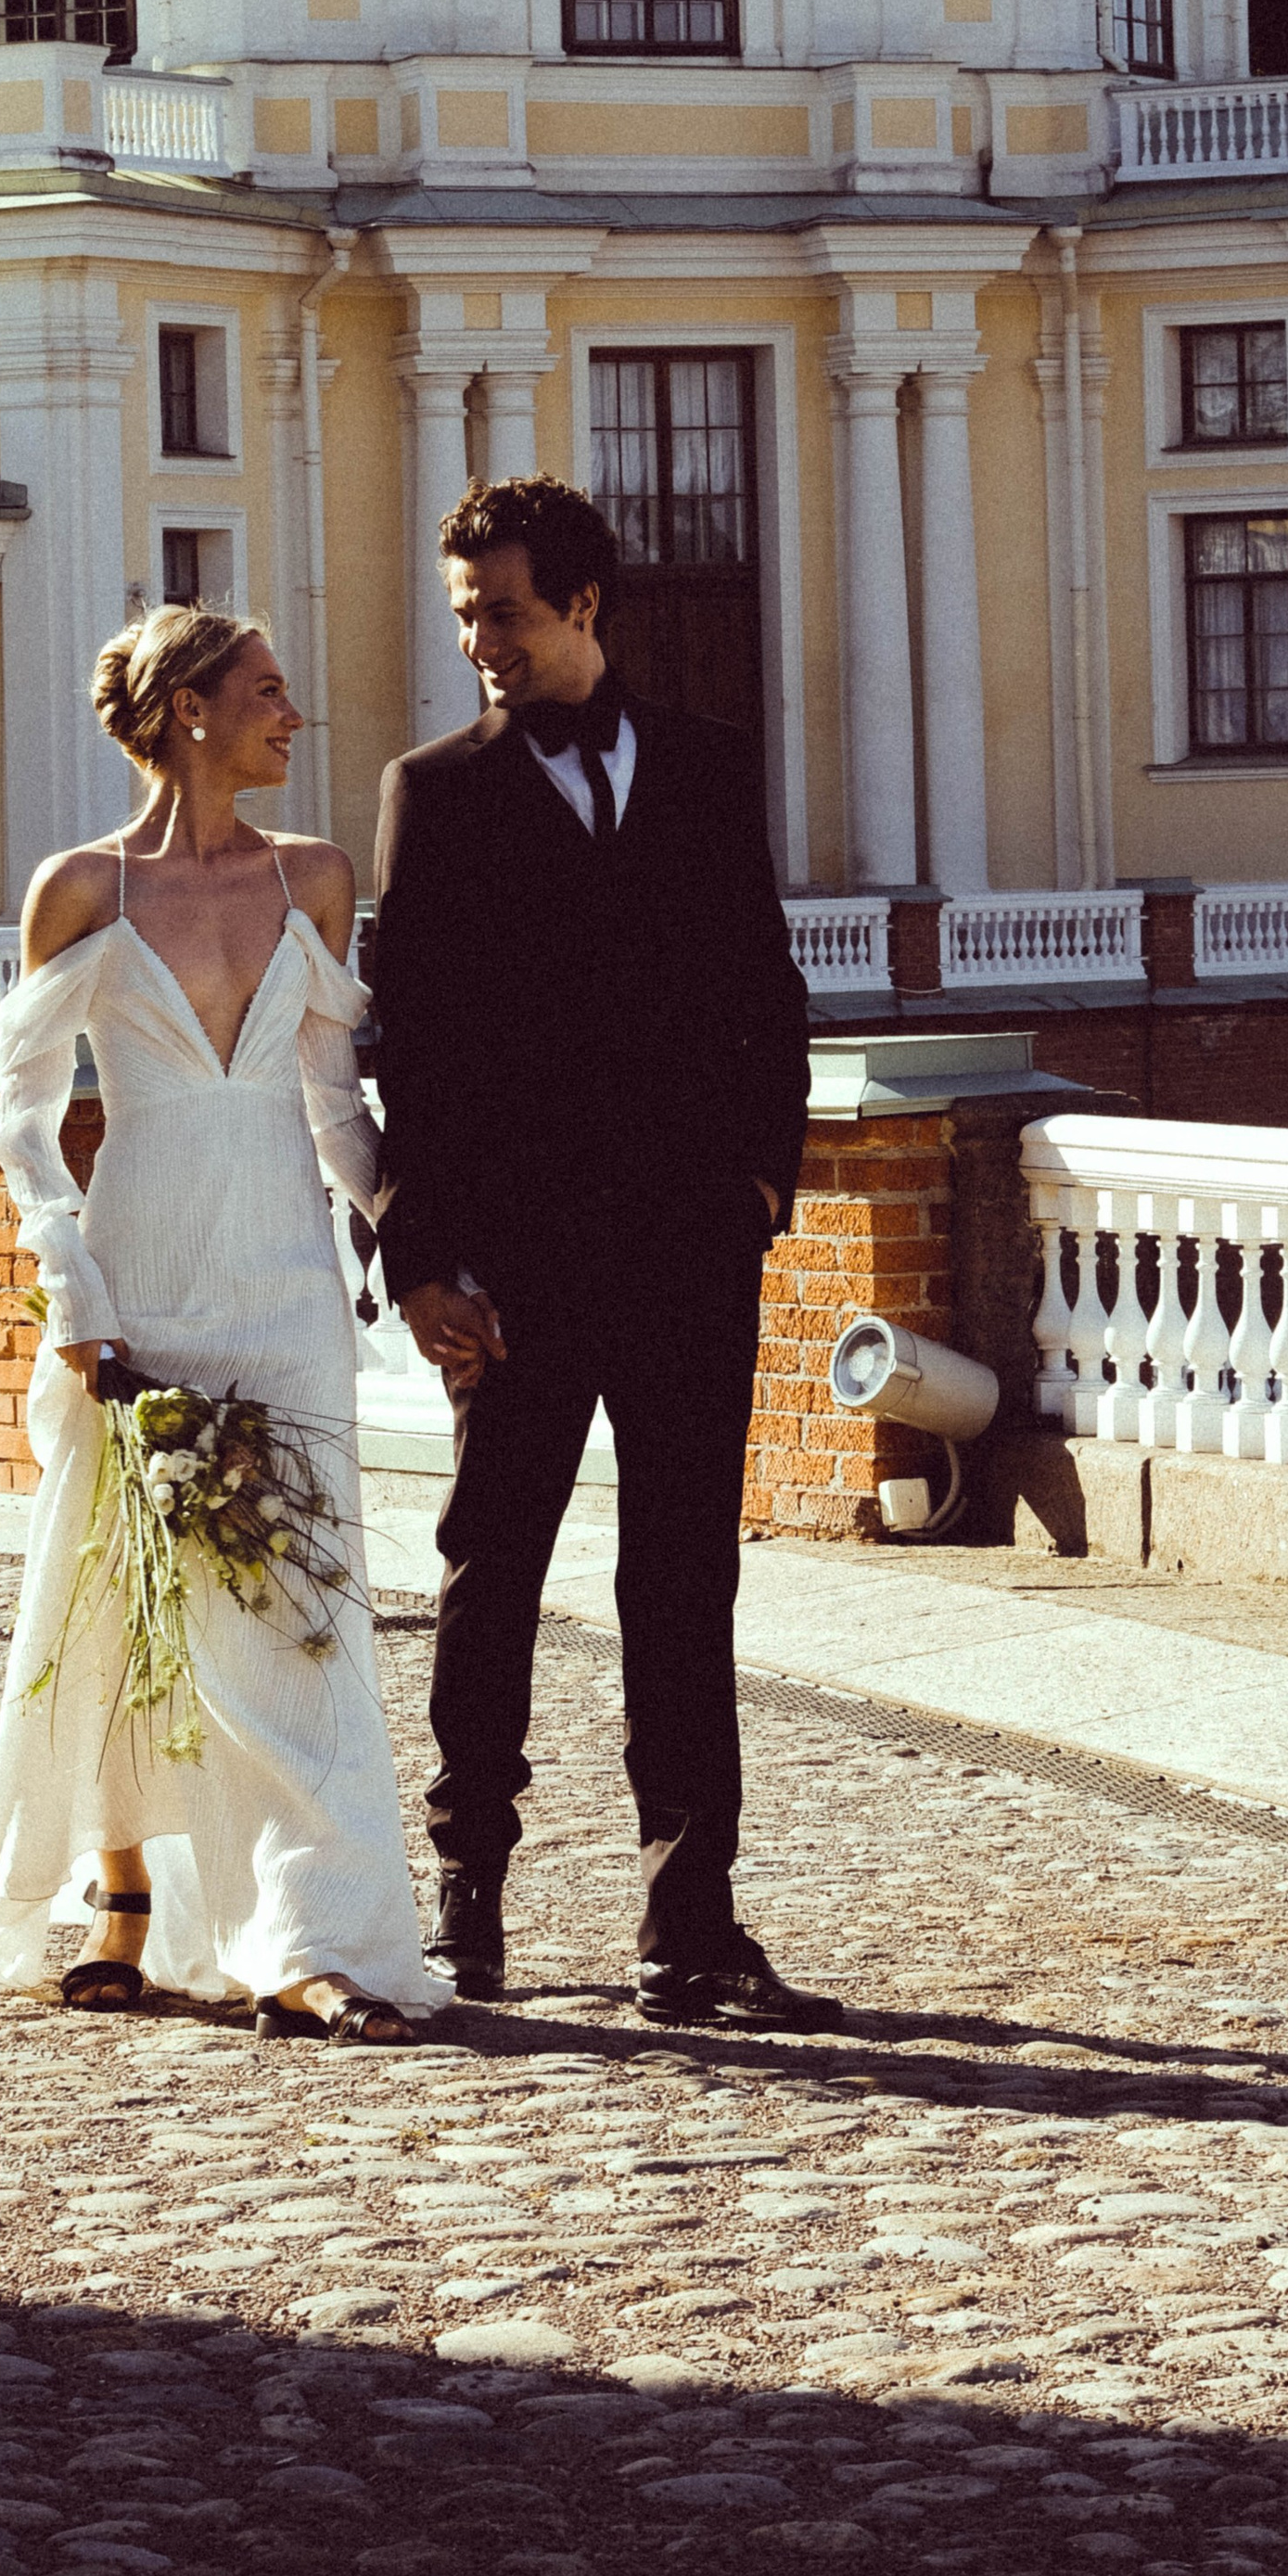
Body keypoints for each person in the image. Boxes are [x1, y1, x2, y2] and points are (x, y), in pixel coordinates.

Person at [371, 475, 835, 2031]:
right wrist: (422, 1260)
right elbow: (412, 1055)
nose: (479, 642)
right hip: (514, 1267)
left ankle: (688, 1924)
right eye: (462, 618)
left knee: (684, 1582)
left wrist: (762, 1183)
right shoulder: (431, 793)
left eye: (500, 610)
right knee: (489, 1575)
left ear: (582, 603)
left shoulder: (709, 766)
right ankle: (467, 1902)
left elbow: (763, 989)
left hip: (696, 1252)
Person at [0, 605, 444, 2044]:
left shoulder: (315, 878)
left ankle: (309, 1935)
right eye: (270, 695)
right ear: (189, 714)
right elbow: (24, 1128)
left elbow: (334, 1107)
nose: (297, 719)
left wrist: (410, 1245)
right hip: (140, 1278)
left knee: (301, 1617)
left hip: (286, 1285)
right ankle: (122, 1899)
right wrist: (76, 1299)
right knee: (121, 1599)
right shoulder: (82, 890)